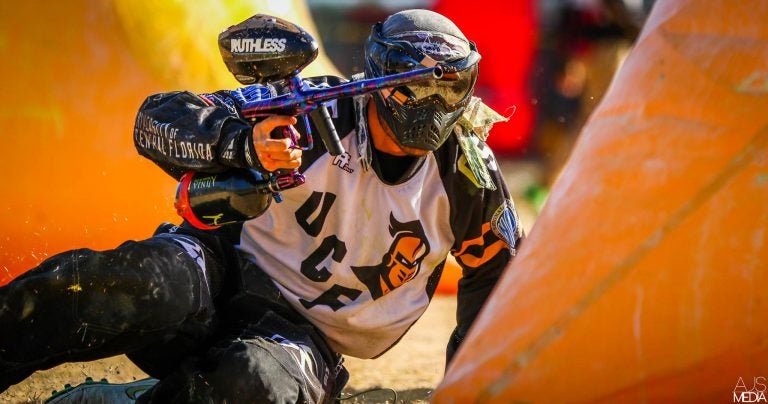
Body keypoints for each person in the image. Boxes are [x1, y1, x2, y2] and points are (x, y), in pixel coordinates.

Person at [0, 9, 523, 403]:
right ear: (379, 78)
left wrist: (466, 387)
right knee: (136, 280)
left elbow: (499, 280)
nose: (433, 103)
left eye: (449, 85)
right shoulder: (317, 111)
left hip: (303, 337)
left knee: (254, 384)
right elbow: (155, 120)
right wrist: (241, 143)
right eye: (413, 85)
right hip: (219, 271)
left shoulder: (467, 176)